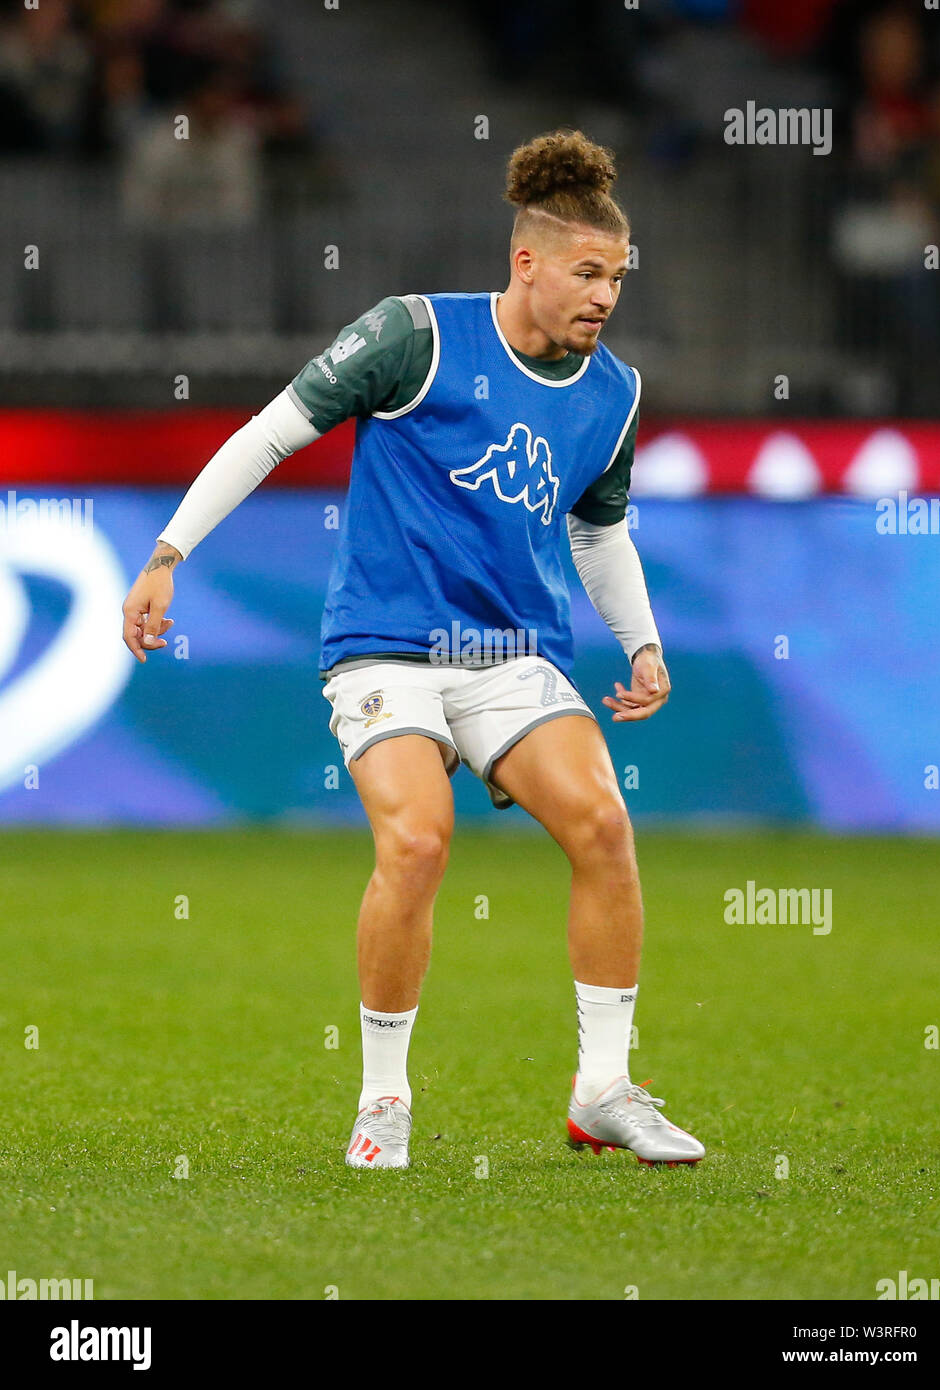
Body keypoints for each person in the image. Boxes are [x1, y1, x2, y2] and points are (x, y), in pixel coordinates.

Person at [121, 129, 705, 1172]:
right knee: (418, 842)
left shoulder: (610, 392)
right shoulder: (413, 338)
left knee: (603, 824)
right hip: (384, 649)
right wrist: (168, 552)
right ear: (525, 261)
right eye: (586, 272)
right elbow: (270, 431)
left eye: (615, 277)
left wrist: (642, 641)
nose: (602, 295)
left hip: (512, 655)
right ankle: (383, 1100)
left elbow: (597, 527)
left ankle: (603, 1089)